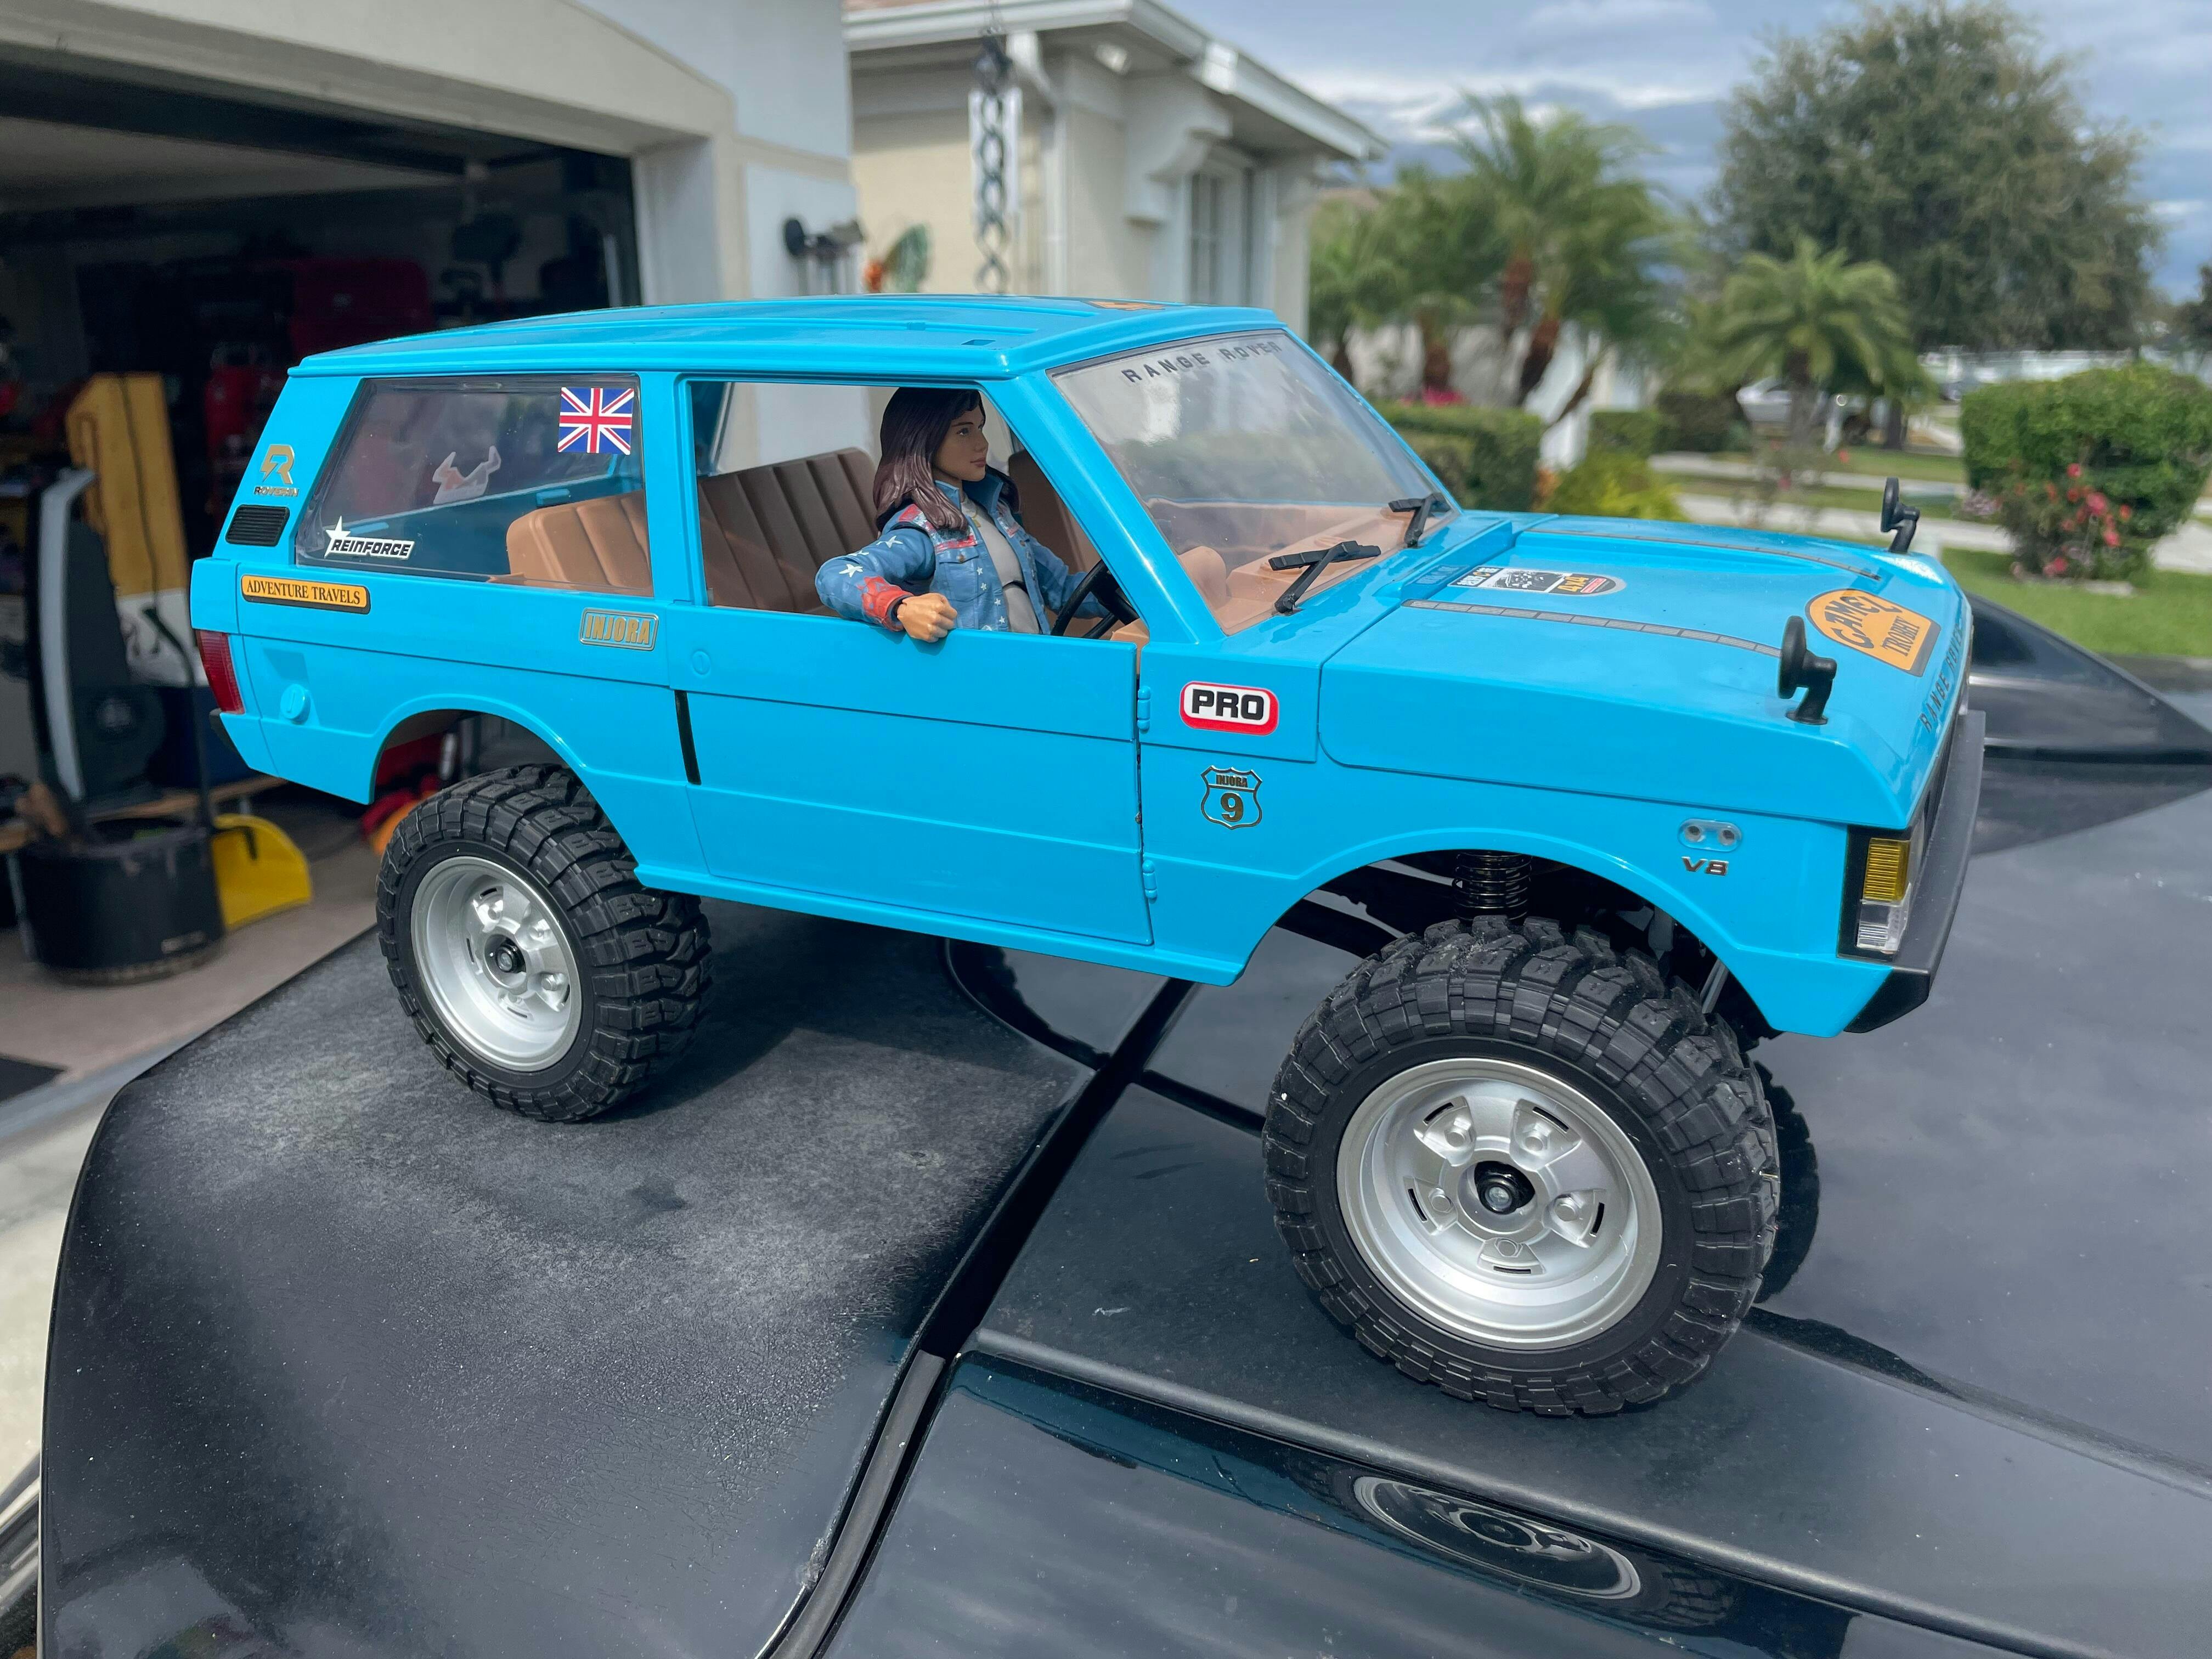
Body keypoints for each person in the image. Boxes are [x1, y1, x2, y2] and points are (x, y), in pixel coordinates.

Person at [816, 387, 1099, 641]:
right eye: (964, 432)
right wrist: (902, 606)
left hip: (1034, 664)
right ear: (924, 439)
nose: (982, 444)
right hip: (979, 675)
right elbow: (835, 574)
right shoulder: (920, 529)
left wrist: (1123, 590)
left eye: (980, 428)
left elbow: (1063, 589)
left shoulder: (997, 513)